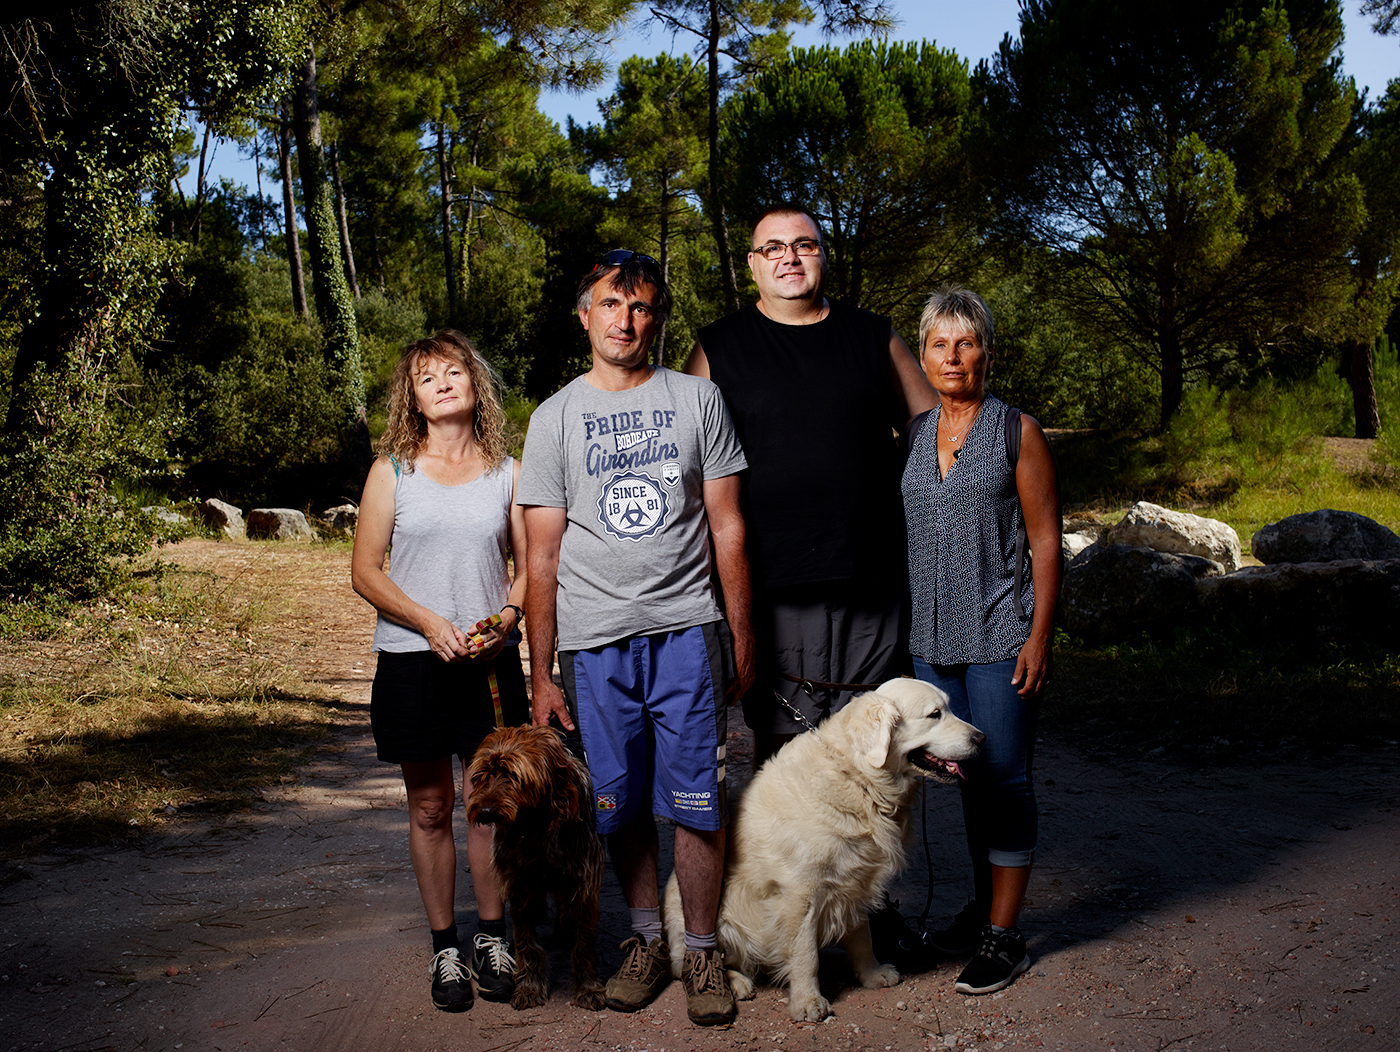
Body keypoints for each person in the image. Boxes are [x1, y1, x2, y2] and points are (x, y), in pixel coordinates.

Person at [518, 250, 753, 1027]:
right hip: (596, 642)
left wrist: (741, 635)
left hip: (688, 630)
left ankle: (703, 949)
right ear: (584, 314)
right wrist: (542, 672)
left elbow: (727, 526)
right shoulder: (552, 417)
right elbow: (541, 554)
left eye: (644, 307)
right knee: (617, 806)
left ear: (659, 317)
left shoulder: (697, 400)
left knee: (696, 800)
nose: (628, 320)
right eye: (612, 305)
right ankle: (647, 941)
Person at [684, 203, 936, 767]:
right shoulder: (718, 348)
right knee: (786, 756)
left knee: (875, 746)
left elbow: (929, 421)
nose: (789, 257)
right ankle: (787, 859)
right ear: (753, 264)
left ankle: (866, 858)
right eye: (773, 247)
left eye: (804, 245)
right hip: (772, 581)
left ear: (823, 255)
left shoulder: (871, 336)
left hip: (870, 576)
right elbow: (686, 460)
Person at [350, 331, 529, 1013]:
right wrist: (427, 623)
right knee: (429, 808)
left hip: (488, 664)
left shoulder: (507, 471)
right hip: (411, 663)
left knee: (490, 808)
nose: (445, 383)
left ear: (475, 385)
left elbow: (526, 570)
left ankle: (492, 936)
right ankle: (446, 949)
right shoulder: (391, 470)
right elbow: (365, 571)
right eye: (429, 378)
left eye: (456, 371)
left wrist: (508, 619)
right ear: (414, 399)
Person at [900, 286, 1062, 996]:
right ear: (927, 355)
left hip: (1000, 633)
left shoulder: (1015, 432)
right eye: (940, 343)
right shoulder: (911, 434)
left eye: (966, 343)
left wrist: (1039, 635)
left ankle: (1005, 935)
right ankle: (979, 909)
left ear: (987, 354)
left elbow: (1047, 541)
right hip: (931, 643)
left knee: (1004, 778)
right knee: (965, 782)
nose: (952, 356)